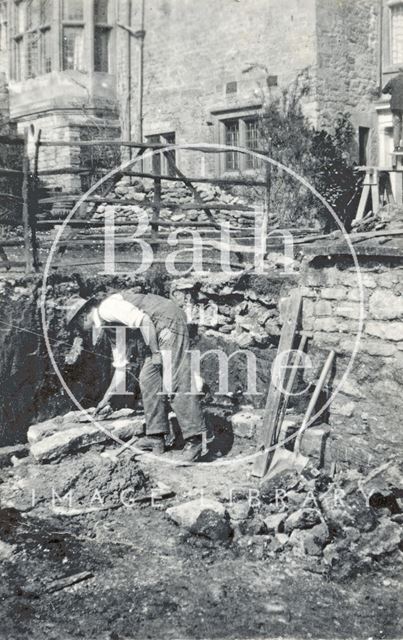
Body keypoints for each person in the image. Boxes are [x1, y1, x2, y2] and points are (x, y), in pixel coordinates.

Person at [66, 290, 206, 462]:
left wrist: (155, 352)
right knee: (148, 379)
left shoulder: (107, 308)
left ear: (83, 317)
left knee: (174, 376)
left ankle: (195, 440)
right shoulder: (110, 328)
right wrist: (106, 399)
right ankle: (156, 437)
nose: (81, 332)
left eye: (78, 327)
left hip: (167, 320)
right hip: (156, 328)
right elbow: (121, 367)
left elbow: (144, 320)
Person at [383, 68, 403, 151]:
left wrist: (392, 92)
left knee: (397, 126)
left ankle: (396, 146)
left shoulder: (393, 80)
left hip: (395, 107)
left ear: (398, 72)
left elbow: (384, 91)